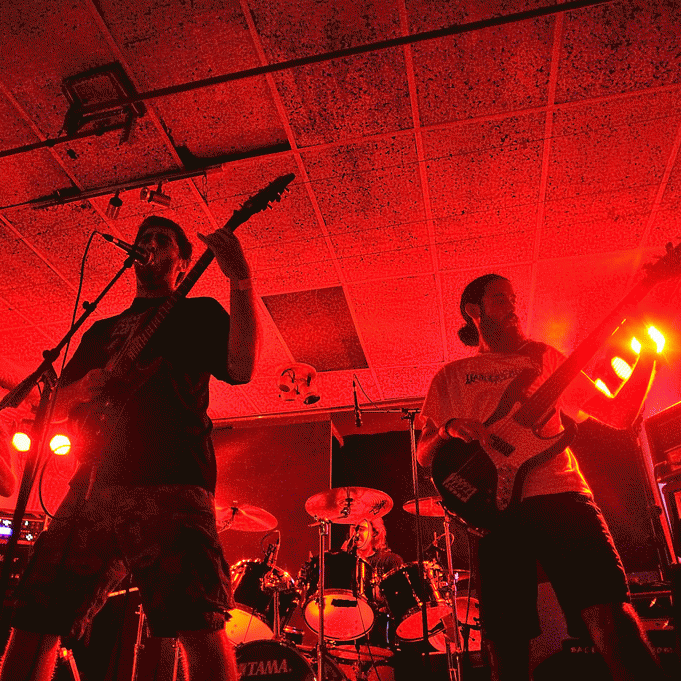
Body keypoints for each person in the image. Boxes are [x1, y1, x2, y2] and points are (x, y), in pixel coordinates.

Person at [0, 215, 258, 681]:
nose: (150, 244)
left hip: (173, 484)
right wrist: (83, 388)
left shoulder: (198, 313)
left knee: (198, 622)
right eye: (144, 238)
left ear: (182, 263)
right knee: (35, 618)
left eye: (163, 240)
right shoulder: (100, 331)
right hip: (92, 487)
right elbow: (50, 412)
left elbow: (240, 367)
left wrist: (240, 281)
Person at [416, 273, 669, 681]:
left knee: (609, 611)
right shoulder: (451, 376)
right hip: (492, 511)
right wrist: (448, 429)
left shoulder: (545, 359)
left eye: (513, 299)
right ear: (474, 311)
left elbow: (619, 415)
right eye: (501, 299)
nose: (513, 308)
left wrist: (651, 355)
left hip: (562, 492)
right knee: (505, 638)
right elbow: (424, 454)